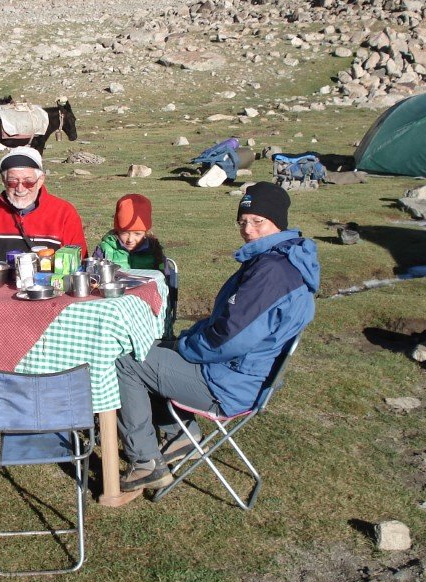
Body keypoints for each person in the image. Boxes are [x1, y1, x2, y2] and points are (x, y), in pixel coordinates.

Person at [114, 182, 319, 491]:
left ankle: (145, 462)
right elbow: (228, 324)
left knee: (128, 360)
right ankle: (180, 432)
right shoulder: (280, 260)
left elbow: (228, 338)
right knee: (154, 347)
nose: (248, 230)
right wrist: (185, 340)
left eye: (257, 221)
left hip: (227, 384)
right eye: (243, 222)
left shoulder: (272, 273)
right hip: (245, 374)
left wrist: (186, 345)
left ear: (278, 222)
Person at [0, 145, 87, 262]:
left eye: (28, 182)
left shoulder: (64, 213)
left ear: (40, 180)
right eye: (12, 182)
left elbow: (78, 263)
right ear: (4, 181)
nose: (20, 189)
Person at [93, 193, 165, 271]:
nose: (130, 240)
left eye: (137, 234)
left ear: (146, 232)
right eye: (124, 233)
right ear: (117, 231)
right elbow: (94, 274)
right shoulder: (105, 249)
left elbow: (164, 275)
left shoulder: (154, 249)